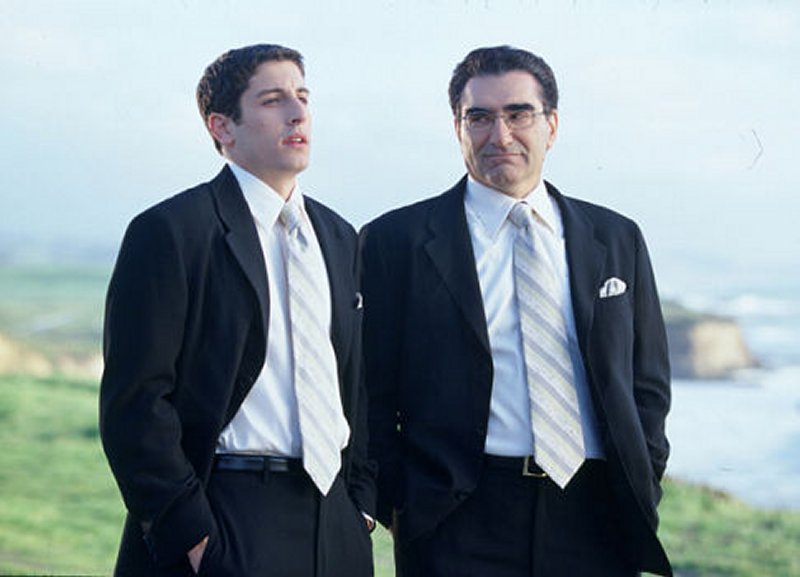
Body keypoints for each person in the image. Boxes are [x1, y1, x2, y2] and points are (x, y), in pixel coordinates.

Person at [360, 45, 672, 576]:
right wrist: (402, 504)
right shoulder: (395, 241)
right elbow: (368, 391)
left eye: (518, 114)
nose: (499, 135)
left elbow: (648, 384)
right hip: (457, 519)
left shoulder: (616, 237)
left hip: (595, 517)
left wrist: (643, 479)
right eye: (479, 117)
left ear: (552, 125)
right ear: (457, 127)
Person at [100, 44, 375, 577]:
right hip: (228, 511)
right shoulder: (171, 231)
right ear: (222, 126)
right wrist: (192, 536)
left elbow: (356, 382)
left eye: (302, 97)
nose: (297, 113)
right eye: (273, 100)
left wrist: (359, 503)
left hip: (336, 519)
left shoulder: (338, 236)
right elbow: (135, 403)